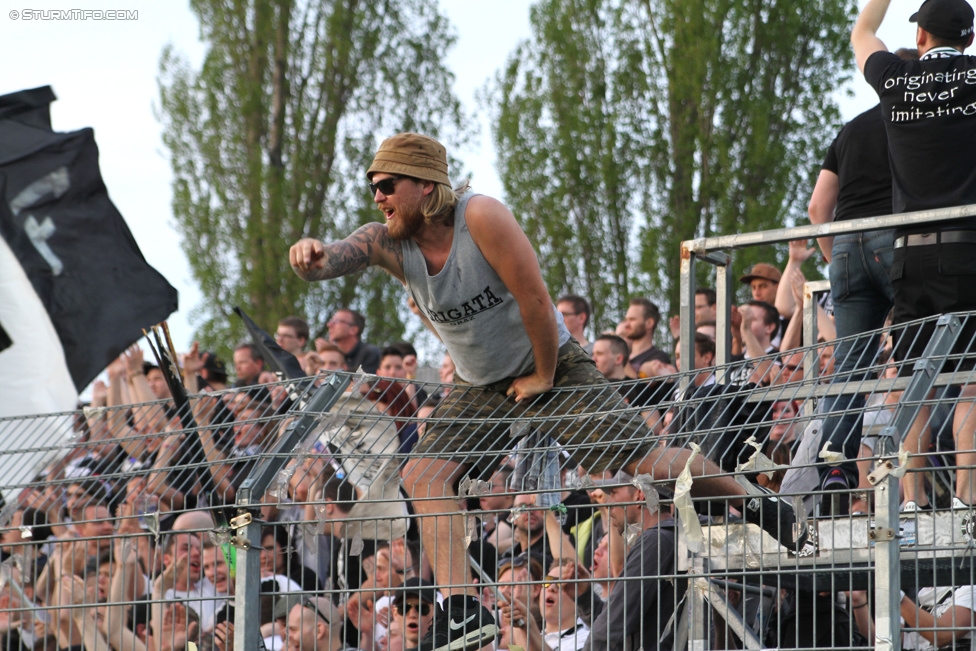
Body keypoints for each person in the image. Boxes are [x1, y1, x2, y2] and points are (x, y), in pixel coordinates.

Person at [289, 132, 803, 651]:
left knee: (646, 463)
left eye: (386, 184)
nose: (376, 195)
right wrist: (315, 257)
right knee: (423, 475)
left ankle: (754, 502)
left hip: (550, 363)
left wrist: (541, 375)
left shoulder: (481, 217)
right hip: (478, 382)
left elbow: (535, 299)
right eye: (371, 185)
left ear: (425, 185)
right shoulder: (388, 241)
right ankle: (466, 610)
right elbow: (341, 254)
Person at [852, 0, 976, 508]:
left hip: (909, 257)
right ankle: (968, 502)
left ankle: (912, 499)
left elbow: (862, 30)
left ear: (921, 35)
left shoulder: (894, 78)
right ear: (966, 40)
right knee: (970, 382)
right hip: (967, 253)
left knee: (911, 381)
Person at [806, 48, 919, 505]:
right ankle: (921, 474)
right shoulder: (915, 119)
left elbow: (817, 208)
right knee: (926, 351)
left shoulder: (850, 128)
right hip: (895, 241)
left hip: (846, 248)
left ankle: (836, 464)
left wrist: (838, 263)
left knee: (850, 367)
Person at [584, 473, 681, 651]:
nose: (608, 503)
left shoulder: (655, 540)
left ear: (640, 495)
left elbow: (613, 623)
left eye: (613, 493)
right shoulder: (672, 536)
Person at [328, 308, 380, 374]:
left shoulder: (370, 353)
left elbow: (365, 383)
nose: (329, 325)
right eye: (331, 321)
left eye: (337, 321)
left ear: (353, 330)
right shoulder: (332, 354)